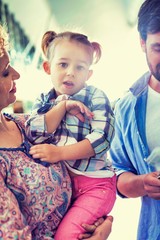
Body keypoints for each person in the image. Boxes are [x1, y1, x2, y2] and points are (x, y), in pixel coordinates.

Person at [0, 24, 113, 240]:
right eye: (5, 72)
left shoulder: (22, 123)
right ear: (48, 67)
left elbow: (103, 139)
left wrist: (100, 226)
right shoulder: (44, 105)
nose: (17, 74)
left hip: (93, 186)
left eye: (80, 67)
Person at [110, 0, 160, 239]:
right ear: (143, 43)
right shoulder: (127, 108)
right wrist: (143, 183)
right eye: (159, 48)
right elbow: (118, 175)